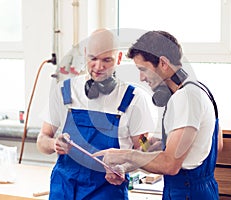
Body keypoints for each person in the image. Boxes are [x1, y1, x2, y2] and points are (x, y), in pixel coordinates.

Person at [93, 30, 223, 200]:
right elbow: (216, 144)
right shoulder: (199, 89)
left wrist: (124, 154)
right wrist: (160, 145)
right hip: (200, 190)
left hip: (186, 193)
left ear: (162, 63)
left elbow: (170, 165)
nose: (141, 78)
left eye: (143, 69)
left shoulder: (185, 97)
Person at [36, 28, 157, 200]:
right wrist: (54, 143)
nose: (98, 67)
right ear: (85, 54)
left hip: (107, 191)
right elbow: (42, 140)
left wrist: (125, 168)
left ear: (119, 58)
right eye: (93, 58)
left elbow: (144, 150)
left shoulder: (134, 99)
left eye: (107, 60)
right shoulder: (65, 91)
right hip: (64, 189)